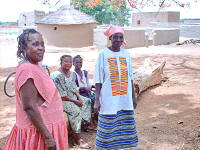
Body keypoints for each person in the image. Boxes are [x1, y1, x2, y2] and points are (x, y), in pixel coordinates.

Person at [3, 29, 68, 150]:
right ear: (23, 47)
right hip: (39, 134)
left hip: (47, 128)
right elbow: (29, 107)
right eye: (35, 44)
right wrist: (48, 137)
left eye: (42, 44)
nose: (41, 48)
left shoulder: (34, 66)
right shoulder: (27, 70)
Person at [94, 25, 138, 150]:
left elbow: (130, 77)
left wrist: (133, 97)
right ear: (110, 38)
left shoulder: (126, 54)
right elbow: (98, 78)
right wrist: (97, 100)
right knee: (108, 125)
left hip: (124, 98)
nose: (118, 40)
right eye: (115, 37)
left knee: (123, 125)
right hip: (108, 97)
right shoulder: (103, 54)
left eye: (121, 37)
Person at [50, 55, 91, 149]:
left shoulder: (72, 73)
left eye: (70, 62)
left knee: (87, 101)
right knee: (75, 110)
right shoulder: (57, 76)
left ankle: (80, 127)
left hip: (72, 96)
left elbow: (74, 87)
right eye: (66, 62)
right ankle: (77, 140)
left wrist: (79, 98)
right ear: (61, 62)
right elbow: (62, 96)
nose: (68, 64)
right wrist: (76, 102)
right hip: (60, 100)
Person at [73, 55, 97, 130]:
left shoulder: (85, 73)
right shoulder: (72, 74)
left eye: (80, 62)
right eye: (77, 62)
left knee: (97, 99)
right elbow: (73, 88)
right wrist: (83, 88)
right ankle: (89, 123)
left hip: (86, 92)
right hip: (78, 94)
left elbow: (87, 83)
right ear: (73, 63)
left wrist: (90, 86)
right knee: (88, 101)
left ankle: (95, 120)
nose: (79, 64)